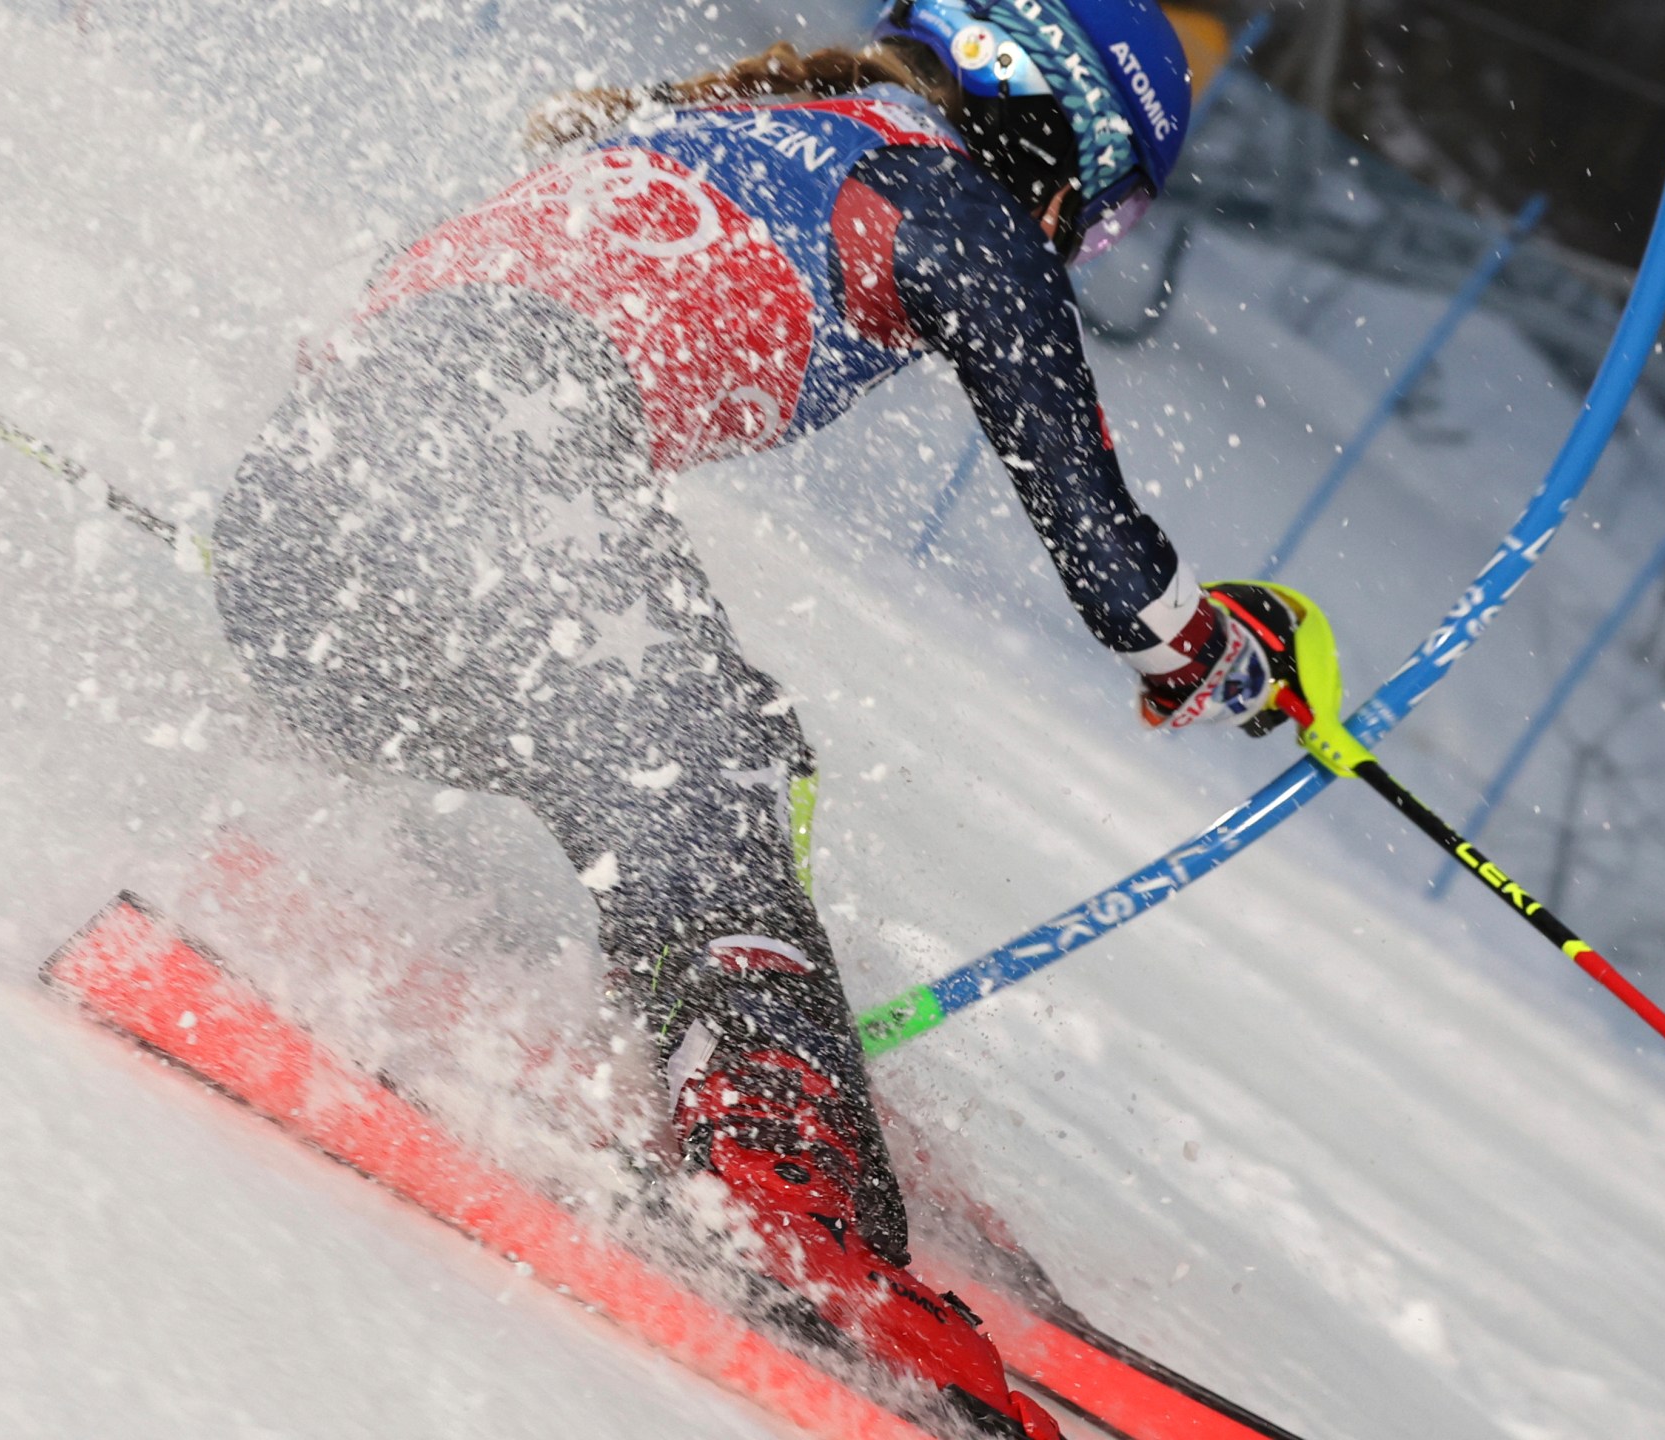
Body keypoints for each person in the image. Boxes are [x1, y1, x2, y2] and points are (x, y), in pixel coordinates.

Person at [209, 1, 1327, 1430]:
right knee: (706, 750)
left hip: (298, 546)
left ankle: (751, 1041)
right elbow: (1112, 561)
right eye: (1090, 220)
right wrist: (1221, 649)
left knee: (703, 745)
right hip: (487, 457)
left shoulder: (724, 125)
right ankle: (781, 1180)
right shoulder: (941, 190)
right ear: (1060, 137)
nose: (1065, 242)